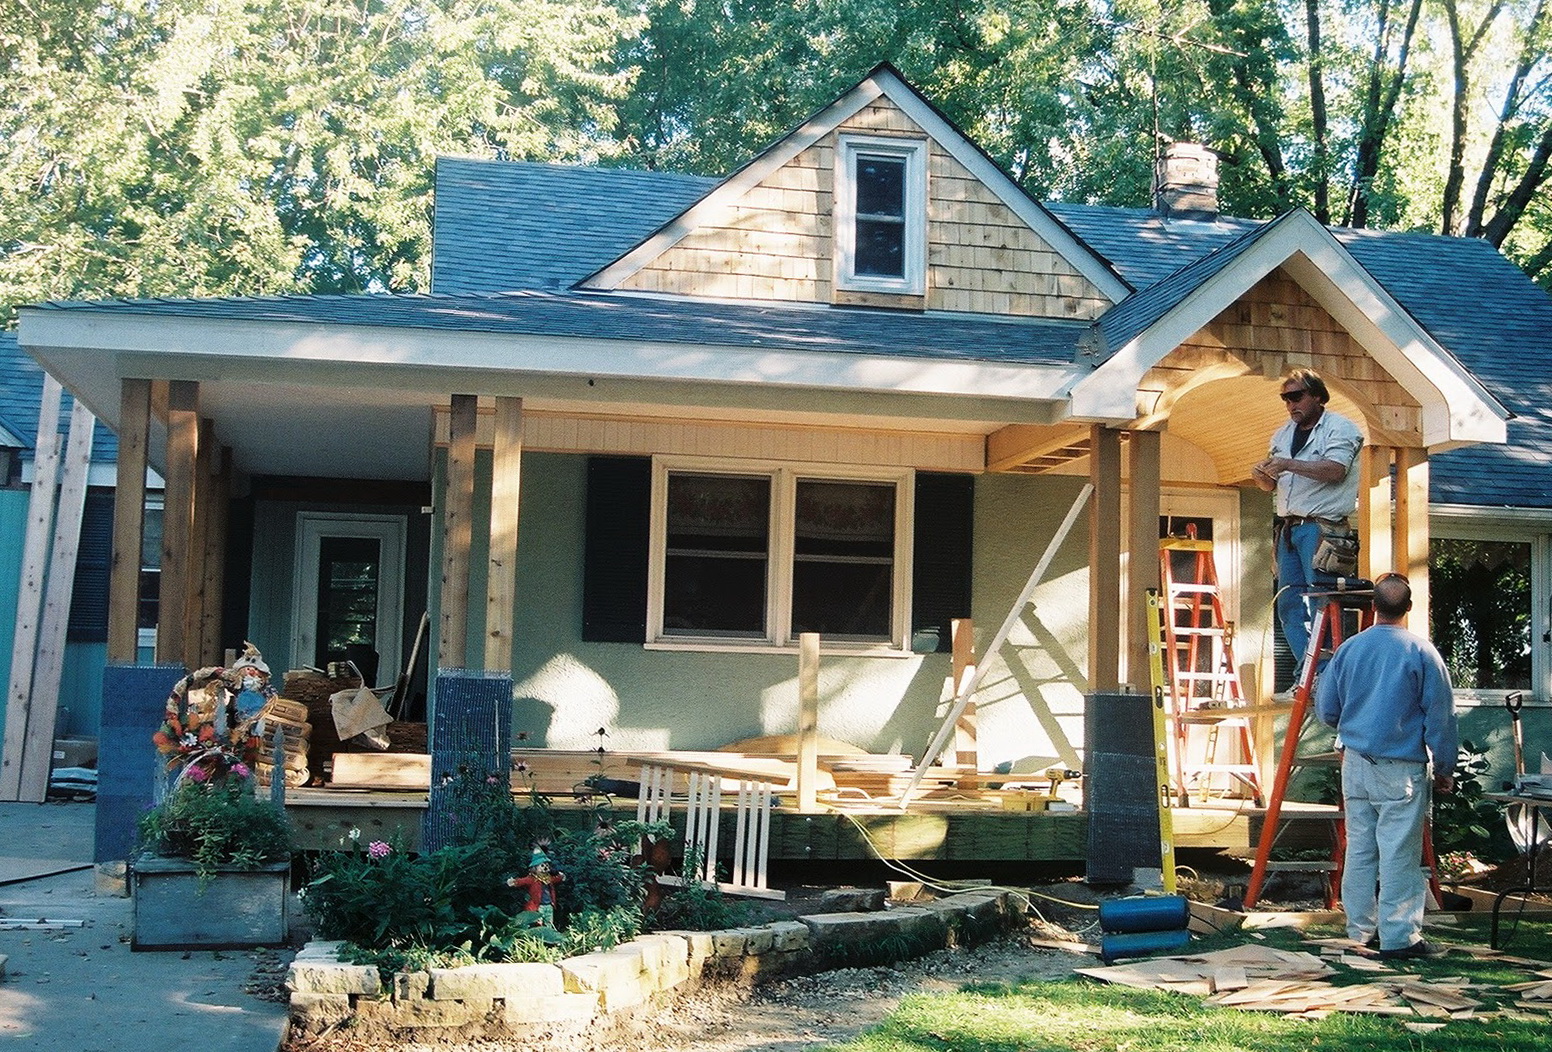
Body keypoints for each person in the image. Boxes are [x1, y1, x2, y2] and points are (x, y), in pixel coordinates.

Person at [1315, 573, 1457, 959]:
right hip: (1400, 767)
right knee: (1398, 852)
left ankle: (1361, 931)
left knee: (1360, 848)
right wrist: (1444, 766)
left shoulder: (1348, 650)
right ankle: (1399, 938)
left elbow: (1327, 709)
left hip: (1356, 761)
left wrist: (1355, 726)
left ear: (1373, 606)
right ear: (1407, 608)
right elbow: (1440, 717)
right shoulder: (1421, 652)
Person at [1250, 369, 1364, 671]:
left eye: (1296, 396)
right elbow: (1271, 486)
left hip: (1323, 528)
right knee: (1288, 606)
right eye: (1285, 399)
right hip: (1289, 528)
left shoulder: (1341, 428)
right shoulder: (1282, 434)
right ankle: (1310, 672)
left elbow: (1335, 470)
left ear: (1317, 395)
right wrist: (1262, 476)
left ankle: (1326, 674)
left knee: (1321, 604)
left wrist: (1287, 463)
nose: (1291, 405)